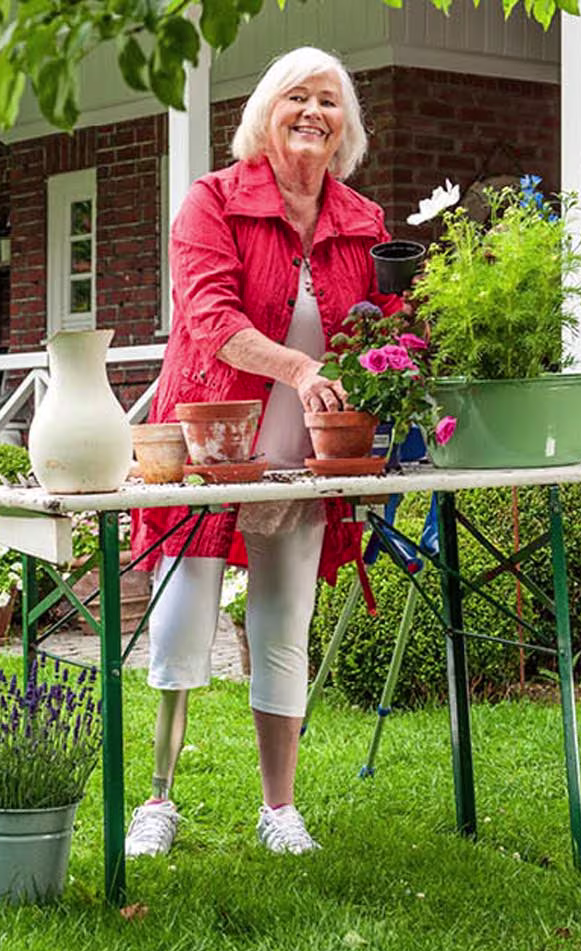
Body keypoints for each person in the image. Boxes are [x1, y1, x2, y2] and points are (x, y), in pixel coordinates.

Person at [126, 46, 398, 858]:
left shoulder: (362, 220)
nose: (314, 112)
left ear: (346, 125)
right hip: (210, 446)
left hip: (308, 458)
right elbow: (210, 319)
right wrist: (302, 369)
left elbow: (388, 325)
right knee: (180, 626)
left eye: (330, 101)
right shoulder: (211, 202)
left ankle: (279, 809)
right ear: (264, 114)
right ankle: (158, 801)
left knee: (285, 626)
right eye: (296, 98)